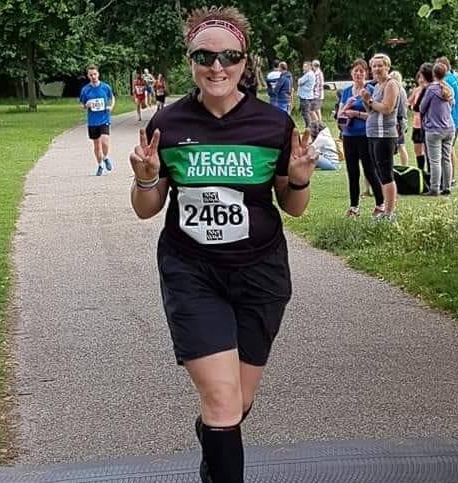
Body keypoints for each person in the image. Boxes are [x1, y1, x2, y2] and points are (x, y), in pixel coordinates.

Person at [128, 6, 318, 482]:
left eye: (229, 56)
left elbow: (293, 208)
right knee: (222, 399)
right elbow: (145, 209)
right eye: (204, 56)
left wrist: (297, 181)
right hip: (192, 271)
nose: (217, 66)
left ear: (244, 62)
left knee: (237, 401)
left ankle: (213, 444)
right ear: (189, 60)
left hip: (260, 274)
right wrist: (147, 180)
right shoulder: (166, 124)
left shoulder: (273, 125)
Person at [338, 58, 384, 217]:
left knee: (370, 171)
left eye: (361, 71)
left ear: (366, 73)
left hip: (365, 135)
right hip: (348, 135)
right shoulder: (346, 91)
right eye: (356, 70)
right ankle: (354, 207)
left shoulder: (371, 89)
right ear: (351, 72)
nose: (358, 74)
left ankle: (380, 204)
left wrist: (356, 113)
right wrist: (347, 107)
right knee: (352, 172)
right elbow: (339, 115)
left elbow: (374, 115)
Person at [361, 53, 400, 222]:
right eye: (374, 66)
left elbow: (387, 108)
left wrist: (369, 101)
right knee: (377, 171)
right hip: (373, 133)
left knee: (385, 173)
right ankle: (384, 208)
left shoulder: (391, 84)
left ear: (387, 67)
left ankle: (389, 213)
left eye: (380, 66)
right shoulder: (377, 86)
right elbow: (372, 111)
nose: (376, 69)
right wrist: (365, 100)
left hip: (385, 135)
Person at [419, 62, 455, 196]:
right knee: (446, 159)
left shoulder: (431, 89)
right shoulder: (448, 88)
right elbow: (452, 105)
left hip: (434, 129)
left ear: (433, 74)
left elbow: (422, 107)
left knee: (435, 160)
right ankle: (447, 186)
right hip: (449, 127)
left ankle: (434, 188)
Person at [79, 64, 115, 176]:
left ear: (98, 74)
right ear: (88, 76)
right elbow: (81, 104)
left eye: (95, 74)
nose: (93, 76)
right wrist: (86, 105)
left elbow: (112, 98)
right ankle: (100, 165)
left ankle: (106, 157)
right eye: (91, 75)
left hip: (104, 118)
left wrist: (111, 106)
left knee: (105, 141)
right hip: (92, 121)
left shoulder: (105, 87)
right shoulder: (85, 90)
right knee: (96, 145)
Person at [436, 56, 458, 186]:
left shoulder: (446, 81)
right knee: (450, 149)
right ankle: (451, 177)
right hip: (457, 119)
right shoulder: (455, 78)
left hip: (449, 120)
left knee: (447, 150)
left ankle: (449, 178)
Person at [408, 68, 430, 172]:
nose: (421, 80)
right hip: (417, 124)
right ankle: (421, 172)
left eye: (423, 77)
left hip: (427, 124)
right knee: (418, 150)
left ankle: (430, 173)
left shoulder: (430, 90)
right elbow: (408, 103)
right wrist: (411, 106)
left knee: (428, 151)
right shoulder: (416, 90)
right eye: (419, 77)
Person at [390, 70, 409, 166]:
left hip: (397, 121)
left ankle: (397, 166)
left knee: (397, 146)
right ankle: (404, 165)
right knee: (401, 145)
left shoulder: (397, 91)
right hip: (402, 120)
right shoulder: (403, 91)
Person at [297, 61, 316, 128]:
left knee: (305, 113)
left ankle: (308, 127)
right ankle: (308, 126)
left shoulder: (308, 74)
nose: (303, 68)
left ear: (309, 67)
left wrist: (300, 79)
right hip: (307, 96)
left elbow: (299, 82)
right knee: (305, 112)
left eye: (305, 66)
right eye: (303, 66)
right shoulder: (309, 74)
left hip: (306, 97)